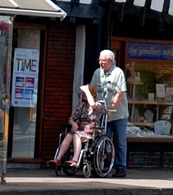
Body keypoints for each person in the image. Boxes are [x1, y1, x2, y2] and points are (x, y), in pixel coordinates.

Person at [89, 50, 129, 178]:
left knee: (120, 141)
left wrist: (111, 110)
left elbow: (120, 93)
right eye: (99, 60)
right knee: (103, 139)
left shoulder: (118, 73)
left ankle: (120, 167)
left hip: (118, 114)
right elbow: (93, 90)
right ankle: (103, 164)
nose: (101, 63)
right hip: (103, 114)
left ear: (111, 61)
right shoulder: (97, 72)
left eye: (103, 61)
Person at [50, 84, 97, 168]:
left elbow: (93, 104)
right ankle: (58, 159)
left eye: (85, 93)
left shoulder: (99, 105)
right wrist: (73, 123)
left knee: (76, 134)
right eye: (83, 93)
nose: (83, 95)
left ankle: (75, 159)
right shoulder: (81, 105)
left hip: (91, 132)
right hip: (79, 130)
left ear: (93, 94)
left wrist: (87, 90)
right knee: (69, 135)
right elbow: (71, 118)